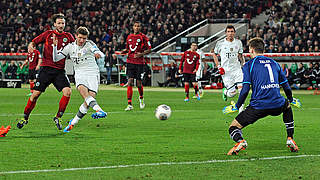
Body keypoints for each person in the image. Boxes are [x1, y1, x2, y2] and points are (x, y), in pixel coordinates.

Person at [222, 37, 301, 155]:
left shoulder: (249, 65)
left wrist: (236, 106)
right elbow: (286, 86)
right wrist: (291, 99)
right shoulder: (274, 63)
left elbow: (245, 90)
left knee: (233, 127)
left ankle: (240, 141)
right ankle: (290, 138)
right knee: (287, 106)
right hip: (277, 104)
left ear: (252, 50)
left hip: (258, 107)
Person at [17, 13, 75, 130]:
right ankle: (25, 117)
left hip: (59, 71)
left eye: (63, 23)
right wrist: (31, 46)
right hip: (46, 69)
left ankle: (58, 117)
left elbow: (75, 47)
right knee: (35, 95)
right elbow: (34, 42)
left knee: (67, 92)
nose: (61, 25)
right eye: (59, 23)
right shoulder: (48, 34)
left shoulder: (68, 37)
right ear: (54, 24)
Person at [53, 26, 107, 133]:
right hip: (80, 73)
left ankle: (73, 123)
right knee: (83, 92)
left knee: (88, 101)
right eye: (80, 37)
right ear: (76, 36)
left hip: (92, 73)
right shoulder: (70, 47)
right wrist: (55, 47)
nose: (82, 40)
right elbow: (56, 58)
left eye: (84, 38)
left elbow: (100, 53)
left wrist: (98, 54)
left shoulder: (90, 44)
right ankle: (99, 110)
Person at [121, 21, 151, 111]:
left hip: (139, 63)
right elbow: (128, 48)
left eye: (138, 26)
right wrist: (124, 51)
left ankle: (141, 98)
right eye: (135, 26)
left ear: (140, 28)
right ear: (133, 27)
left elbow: (149, 49)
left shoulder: (143, 37)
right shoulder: (129, 37)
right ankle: (129, 104)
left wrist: (140, 54)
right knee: (130, 81)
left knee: (138, 83)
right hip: (130, 61)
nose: (136, 27)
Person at [212, 25, 245, 108]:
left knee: (242, 89)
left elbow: (240, 55)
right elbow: (214, 55)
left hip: (237, 69)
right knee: (232, 93)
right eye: (228, 32)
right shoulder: (220, 43)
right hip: (226, 71)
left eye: (232, 31)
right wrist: (219, 67)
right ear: (225, 33)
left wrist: (243, 64)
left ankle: (241, 110)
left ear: (234, 32)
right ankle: (225, 92)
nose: (230, 33)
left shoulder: (238, 42)